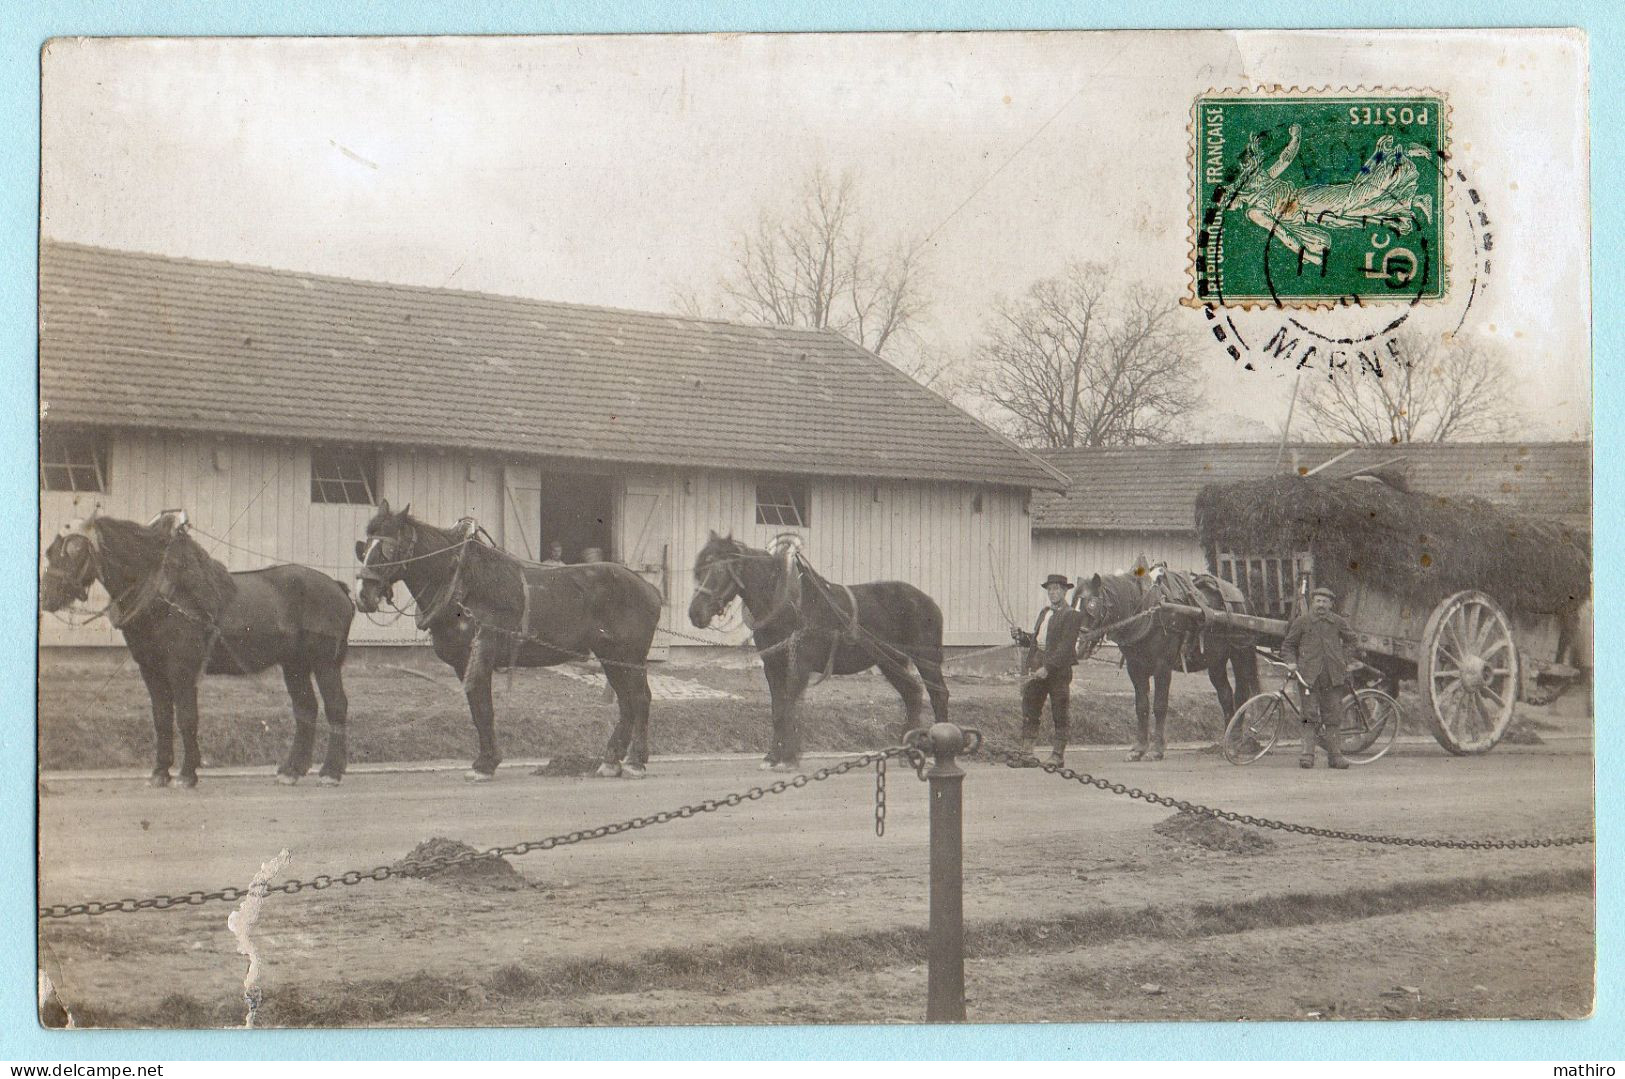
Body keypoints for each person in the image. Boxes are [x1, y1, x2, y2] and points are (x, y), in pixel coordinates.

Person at [1010, 573, 1086, 767]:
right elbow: (1037, 641)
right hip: (1037, 668)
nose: (1053, 593)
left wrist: (1048, 667)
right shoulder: (1044, 613)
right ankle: (1027, 754)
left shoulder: (1072, 616)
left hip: (1058, 672)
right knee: (1030, 708)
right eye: (1050, 589)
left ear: (1065, 592)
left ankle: (1058, 755)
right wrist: (1022, 636)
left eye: (1057, 589)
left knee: (1059, 712)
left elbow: (1066, 647)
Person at [1281, 586, 1358, 769]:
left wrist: (1344, 660)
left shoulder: (1338, 622)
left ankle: (1335, 757)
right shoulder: (1302, 622)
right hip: (1308, 677)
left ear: (1331, 604)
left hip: (1333, 677)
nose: (1321, 605)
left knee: (1333, 717)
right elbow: (1288, 645)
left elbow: (1352, 640)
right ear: (1312, 603)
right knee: (1309, 715)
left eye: (1325, 601)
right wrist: (1291, 662)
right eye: (1318, 601)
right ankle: (1307, 755)